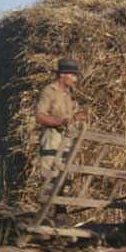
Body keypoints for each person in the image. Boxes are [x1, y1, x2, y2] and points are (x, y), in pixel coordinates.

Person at [35, 58, 88, 200]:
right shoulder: (49, 91)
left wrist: (75, 118)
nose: (75, 80)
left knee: (65, 174)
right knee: (50, 174)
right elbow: (39, 117)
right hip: (52, 138)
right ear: (62, 75)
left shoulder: (69, 95)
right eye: (73, 75)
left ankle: (60, 211)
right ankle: (46, 210)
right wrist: (61, 121)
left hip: (66, 139)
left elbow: (69, 118)